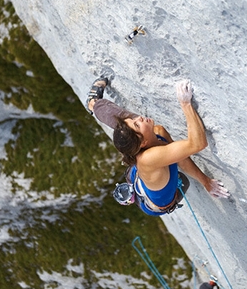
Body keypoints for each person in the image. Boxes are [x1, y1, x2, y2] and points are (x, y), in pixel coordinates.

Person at [85, 76, 229, 215]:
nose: (139, 118)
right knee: (130, 130)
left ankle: (94, 103)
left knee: (125, 126)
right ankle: (100, 108)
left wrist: (205, 181)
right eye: (137, 124)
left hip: (141, 167)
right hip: (151, 201)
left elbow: (181, 157)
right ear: (143, 143)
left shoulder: (155, 134)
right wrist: (185, 104)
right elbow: (198, 143)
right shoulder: (150, 158)